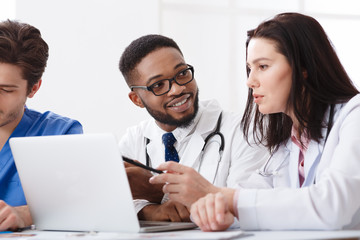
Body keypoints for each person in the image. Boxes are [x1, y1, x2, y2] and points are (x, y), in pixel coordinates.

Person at [150, 12, 360, 230]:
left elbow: (333, 207)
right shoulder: (287, 143)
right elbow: (256, 198)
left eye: (263, 66)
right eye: (250, 68)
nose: (250, 81)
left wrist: (218, 195)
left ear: (304, 68)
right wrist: (220, 210)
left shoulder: (354, 116)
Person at [118, 34, 268, 222]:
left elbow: (246, 209)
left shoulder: (245, 130)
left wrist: (158, 193)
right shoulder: (134, 140)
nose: (177, 89)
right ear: (137, 99)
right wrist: (154, 212)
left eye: (182, 73)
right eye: (158, 85)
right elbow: (109, 204)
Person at [0, 20, 83, 230]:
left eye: (6, 90)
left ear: (33, 88)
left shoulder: (59, 134)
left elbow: (80, 202)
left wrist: (26, 213)